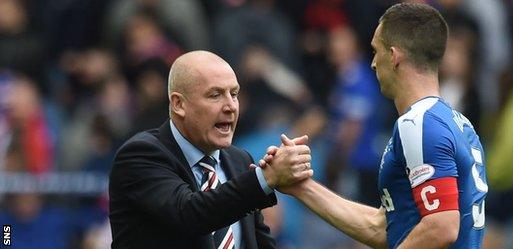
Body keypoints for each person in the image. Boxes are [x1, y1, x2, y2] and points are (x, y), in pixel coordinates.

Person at [260, 3, 488, 249]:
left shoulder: (419, 124)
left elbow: (441, 226)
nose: (372, 63)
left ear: (394, 56)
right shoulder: (458, 124)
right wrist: (301, 187)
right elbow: (383, 227)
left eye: (375, 51)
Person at [108, 51, 313, 249]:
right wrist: (265, 178)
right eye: (215, 95)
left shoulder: (239, 160)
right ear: (179, 104)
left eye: (234, 94)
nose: (230, 106)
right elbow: (190, 215)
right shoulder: (141, 155)